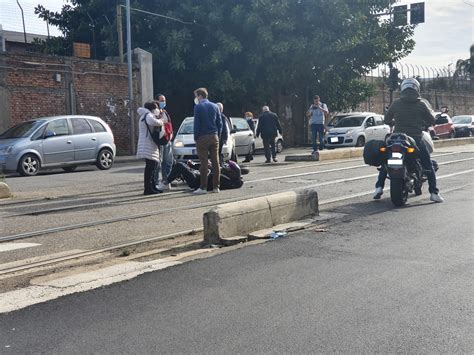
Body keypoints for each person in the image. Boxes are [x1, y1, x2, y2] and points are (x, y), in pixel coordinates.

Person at [373, 78, 444, 203]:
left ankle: (379, 187)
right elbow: (431, 120)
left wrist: (393, 121)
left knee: (386, 163)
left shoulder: (396, 103)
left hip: (397, 138)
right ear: (417, 89)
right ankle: (434, 193)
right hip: (415, 138)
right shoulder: (421, 104)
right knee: (428, 165)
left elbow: (387, 119)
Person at [193, 88, 222, 194]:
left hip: (202, 137)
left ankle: (203, 187)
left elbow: (197, 123)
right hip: (214, 136)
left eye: (196, 96)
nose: (196, 98)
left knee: (204, 162)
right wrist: (217, 135)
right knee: (216, 161)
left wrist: (196, 137)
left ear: (200, 96)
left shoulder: (198, 107)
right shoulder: (215, 106)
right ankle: (216, 187)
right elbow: (220, 123)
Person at [136, 101, 164, 195]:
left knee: (152, 166)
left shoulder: (146, 115)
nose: (157, 110)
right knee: (150, 167)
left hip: (148, 143)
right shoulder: (148, 115)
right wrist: (162, 120)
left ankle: (152, 187)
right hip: (147, 143)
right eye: (156, 108)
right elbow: (154, 122)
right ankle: (148, 188)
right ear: (152, 109)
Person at [166, 160, 244, 191]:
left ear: (232, 172)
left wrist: (207, 169)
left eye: (228, 167)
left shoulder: (224, 178)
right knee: (182, 162)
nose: (226, 166)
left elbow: (209, 177)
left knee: (179, 165)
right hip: (198, 176)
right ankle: (170, 179)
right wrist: (194, 165)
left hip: (196, 181)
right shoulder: (223, 175)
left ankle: (166, 183)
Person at [154, 94, 174, 191]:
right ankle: (156, 182)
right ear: (157, 101)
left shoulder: (165, 112)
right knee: (159, 162)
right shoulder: (156, 113)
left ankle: (166, 181)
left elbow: (169, 124)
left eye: (164, 100)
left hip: (168, 140)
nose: (163, 102)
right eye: (161, 100)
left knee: (168, 162)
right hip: (160, 141)